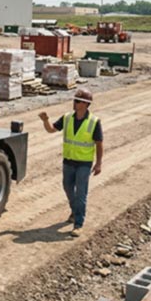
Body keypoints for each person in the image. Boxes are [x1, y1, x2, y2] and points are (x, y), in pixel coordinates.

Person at [39, 88, 103, 237]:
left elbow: (99, 143)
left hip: (84, 164)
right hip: (68, 162)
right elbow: (51, 130)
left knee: (81, 193)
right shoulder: (67, 117)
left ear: (86, 104)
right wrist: (45, 120)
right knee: (68, 188)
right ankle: (75, 211)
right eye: (74, 100)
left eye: (78, 101)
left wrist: (98, 163)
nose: (74, 103)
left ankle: (78, 224)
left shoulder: (94, 121)